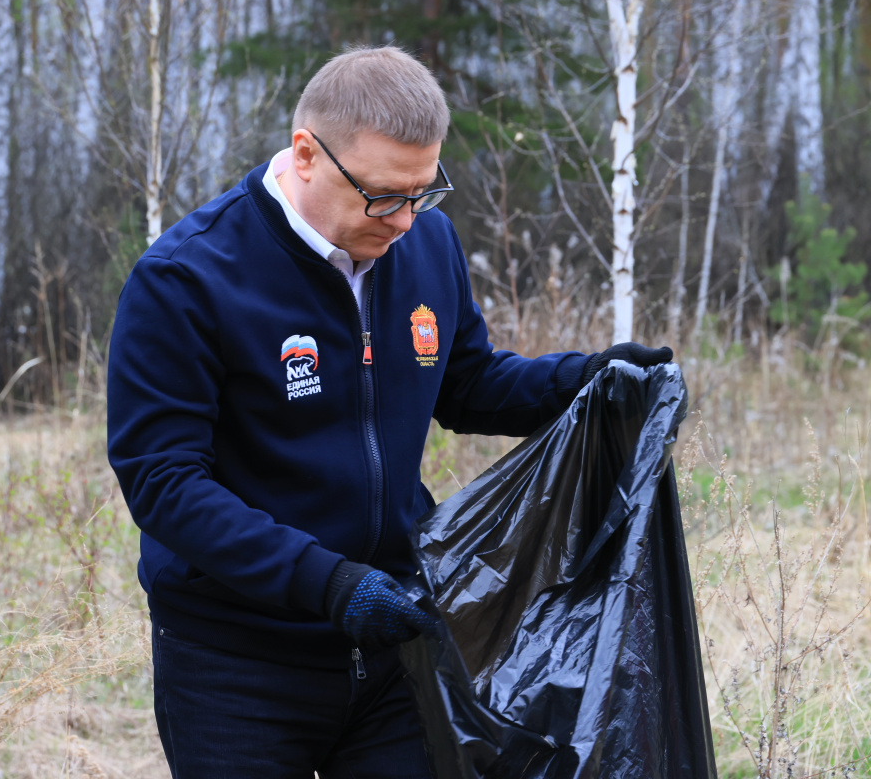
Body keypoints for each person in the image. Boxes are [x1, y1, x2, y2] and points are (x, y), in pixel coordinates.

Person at [107, 45, 672, 778]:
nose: (405, 220)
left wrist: (593, 380)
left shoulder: (426, 241)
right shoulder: (186, 281)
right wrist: (334, 585)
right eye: (382, 196)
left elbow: (466, 383)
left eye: (423, 191)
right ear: (306, 155)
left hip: (398, 641)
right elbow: (165, 485)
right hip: (235, 662)